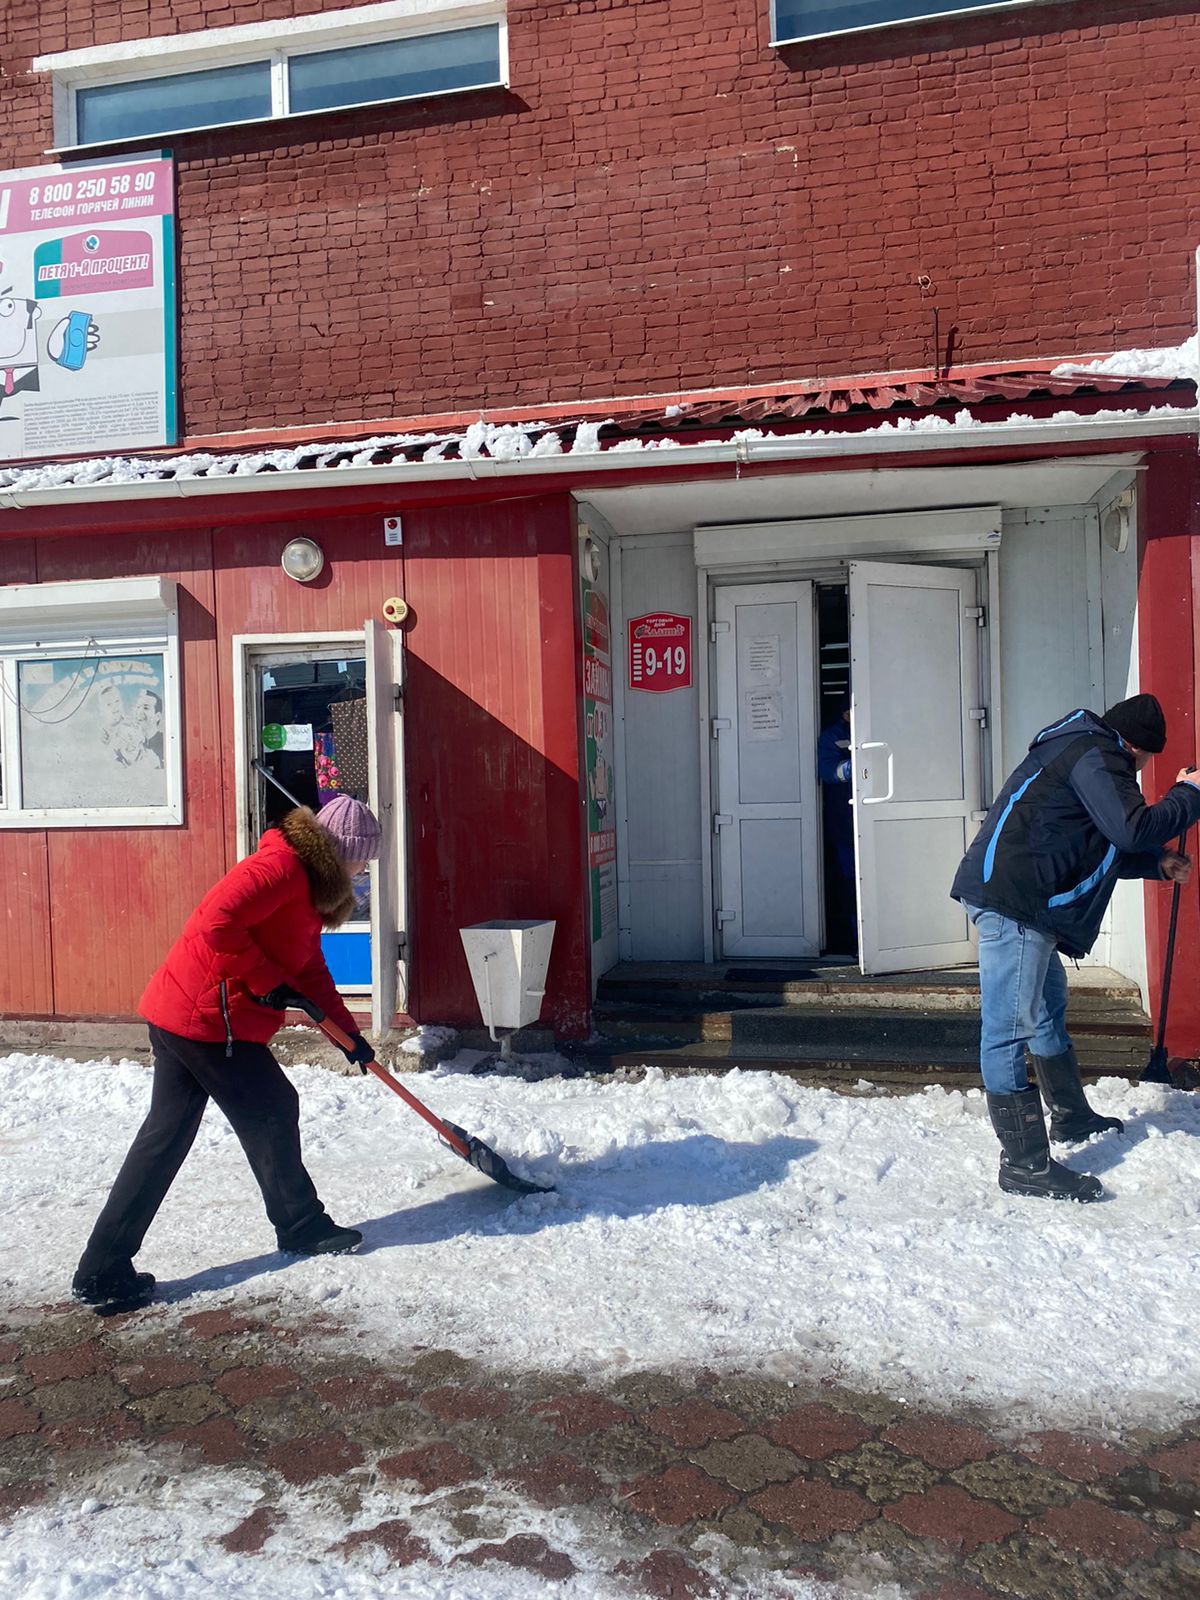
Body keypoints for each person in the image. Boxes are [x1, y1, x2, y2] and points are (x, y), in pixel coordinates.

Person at [72, 793, 383, 1309]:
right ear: (339, 848)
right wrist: (263, 981)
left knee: (166, 1136)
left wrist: (347, 1034)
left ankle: (103, 1268)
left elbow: (306, 969)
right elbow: (213, 922)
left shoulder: (309, 884)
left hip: (188, 1015)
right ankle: (301, 1225)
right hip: (207, 1019)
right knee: (272, 1107)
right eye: (362, 856)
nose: (365, 866)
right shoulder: (281, 867)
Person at [952, 694, 1200, 1204]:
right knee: (1007, 1028)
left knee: (1046, 1010)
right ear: (1136, 747)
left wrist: (1157, 865)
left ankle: (1070, 1114)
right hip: (1015, 903)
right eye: (1147, 758)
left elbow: (1088, 842)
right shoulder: (1096, 755)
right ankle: (1024, 1164)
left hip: (1025, 900)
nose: (1146, 767)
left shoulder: (1084, 749)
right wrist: (1188, 793)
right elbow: (1130, 827)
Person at [817, 696, 856, 954]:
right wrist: (860, 764)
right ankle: (857, 942)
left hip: (875, 819)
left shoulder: (874, 727)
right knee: (851, 882)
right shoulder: (832, 736)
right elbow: (829, 773)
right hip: (844, 824)